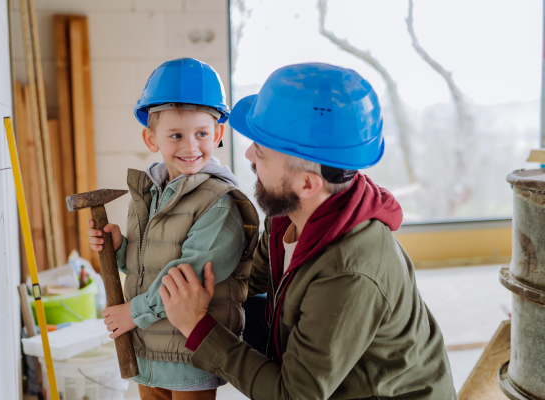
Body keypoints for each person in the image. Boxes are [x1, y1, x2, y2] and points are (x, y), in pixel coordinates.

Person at [158, 63, 458, 399]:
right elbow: (249, 281)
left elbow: (295, 395)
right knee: (239, 309)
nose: (248, 155)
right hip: (330, 365)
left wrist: (198, 329)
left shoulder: (350, 271)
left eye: (261, 152)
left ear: (306, 183)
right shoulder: (288, 213)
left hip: (375, 393)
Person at [86, 57, 259, 400]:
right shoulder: (150, 192)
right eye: (176, 135)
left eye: (202, 134)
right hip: (146, 349)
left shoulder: (219, 202)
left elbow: (188, 275)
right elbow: (146, 262)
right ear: (152, 138)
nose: (190, 146)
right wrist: (120, 249)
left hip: (189, 352)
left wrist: (133, 313)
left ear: (218, 134)